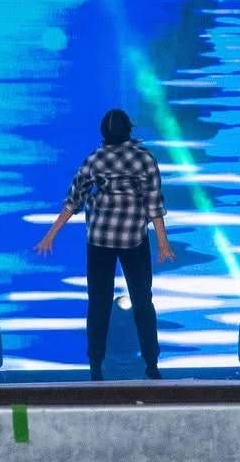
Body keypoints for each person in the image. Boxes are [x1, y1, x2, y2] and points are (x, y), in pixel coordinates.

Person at [34, 108, 176, 380]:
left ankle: (95, 365)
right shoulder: (144, 159)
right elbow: (154, 204)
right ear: (129, 130)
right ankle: (151, 363)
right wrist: (162, 243)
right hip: (133, 238)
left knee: (98, 304)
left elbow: (73, 200)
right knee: (142, 302)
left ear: (104, 133)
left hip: (100, 238)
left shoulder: (95, 159)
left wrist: (51, 234)